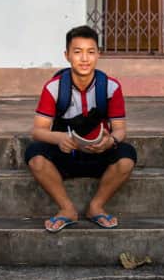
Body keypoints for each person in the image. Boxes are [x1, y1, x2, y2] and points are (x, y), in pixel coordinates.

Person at [24, 25, 137, 232]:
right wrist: (59, 138)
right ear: (67, 56)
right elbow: (37, 131)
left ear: (98, 54)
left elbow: (120, 129)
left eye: (90, 52)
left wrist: (110, 141)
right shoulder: (54, 87)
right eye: (77, 52)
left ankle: (96, 206)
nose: (84, 59)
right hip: (65, 155)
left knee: (127, 156)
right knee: (34, 155)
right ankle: (67, 209)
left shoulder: (111, 87)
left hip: (98, 154)